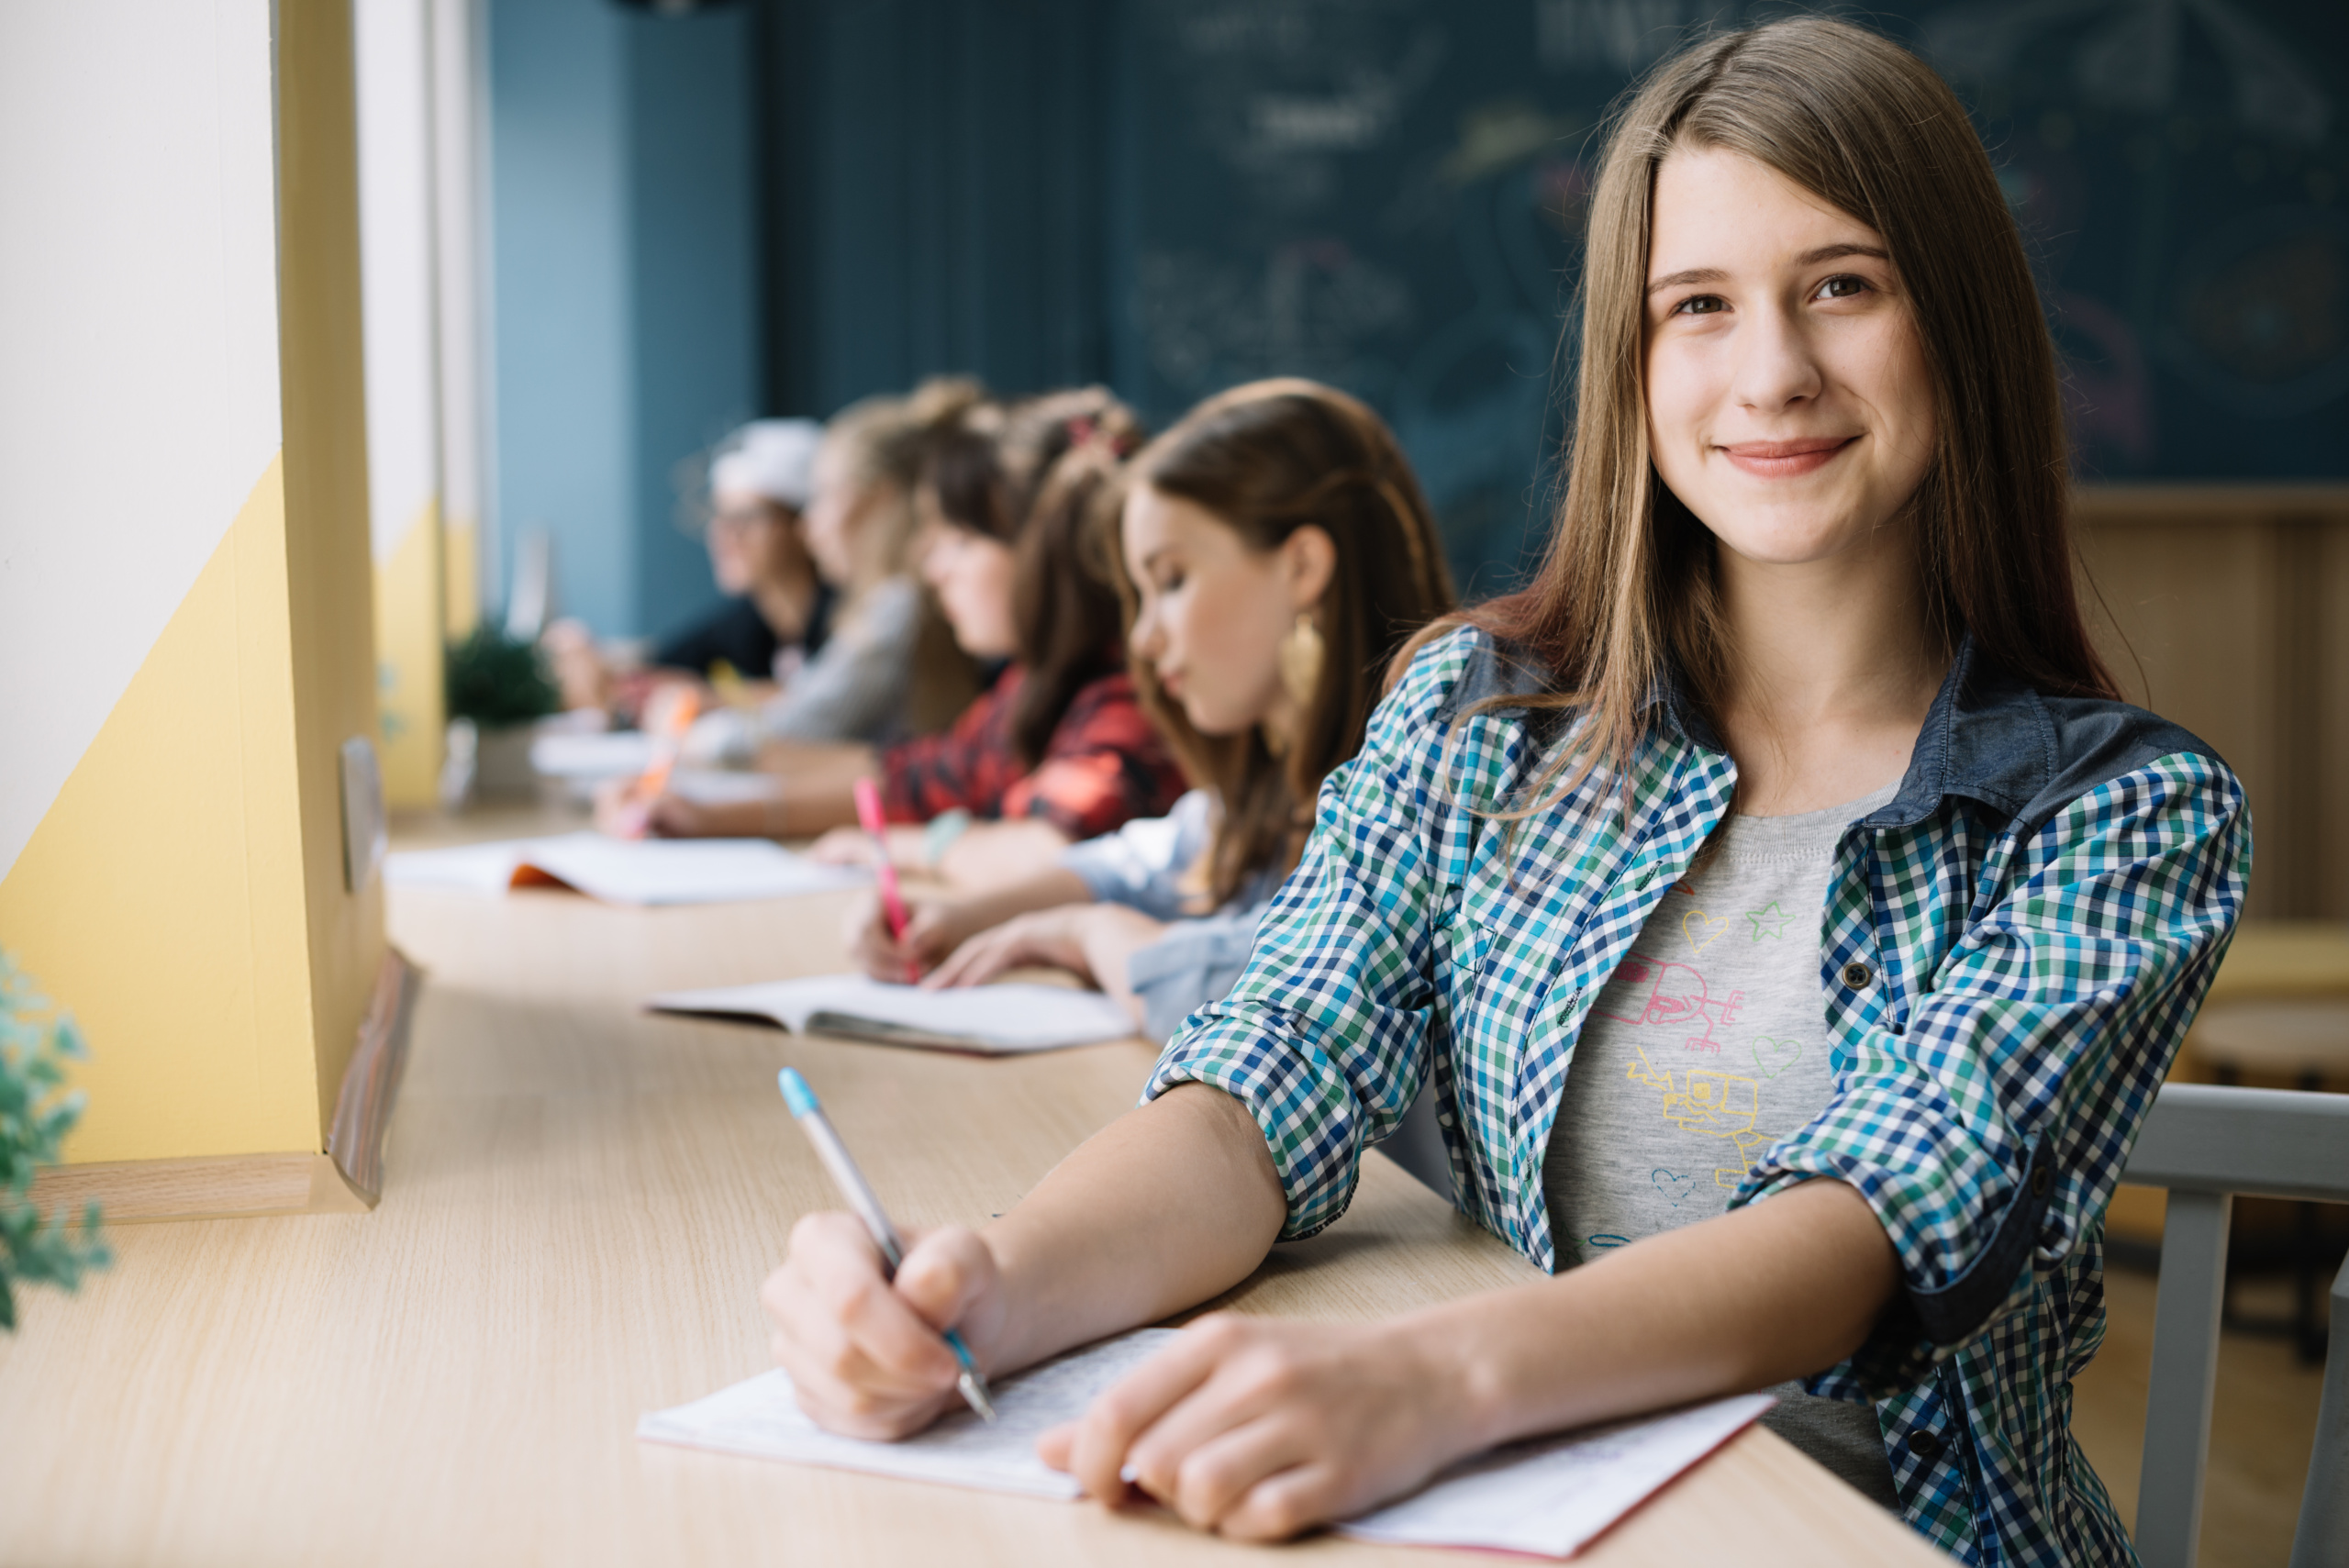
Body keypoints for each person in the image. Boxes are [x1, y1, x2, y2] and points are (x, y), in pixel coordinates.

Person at [754, 18, 2251, 1562]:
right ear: (1630, 355)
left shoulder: (2126, 814)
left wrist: (1429, 1376)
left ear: (1960, 322)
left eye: (1844, 286)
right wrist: (989, 1286)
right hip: (1537, 1513)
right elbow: (1270, 1073)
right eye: (1697, 307)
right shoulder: (1482, 716)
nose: (1774, 371)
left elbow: (1867, 1220)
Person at [848, 379, 1457, 1051]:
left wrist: (1086, 930)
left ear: (1303, 565)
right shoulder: (1260, 784)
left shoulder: (1427, 789)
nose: (1143, 639)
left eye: (1171, 581)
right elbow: (1135, 863)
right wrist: (958, 917)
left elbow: (1274, 990)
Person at [613, 389, 1187, 858]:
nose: (935, 570)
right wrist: (707, 816)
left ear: (1048, 555)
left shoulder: (1124, 700)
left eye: (961, 542)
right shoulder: (1032, 687)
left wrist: (912, 849)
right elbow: (911, 777)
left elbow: (1047, 847)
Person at [542, 418, 829, 721]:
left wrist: (712, 699)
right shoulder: (748, 621)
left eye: (748, 517)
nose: (726, 536)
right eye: (719, 517)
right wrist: (591, 661)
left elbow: (830, 697)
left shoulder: (847, 615)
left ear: (805, 525)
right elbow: (662, 665)